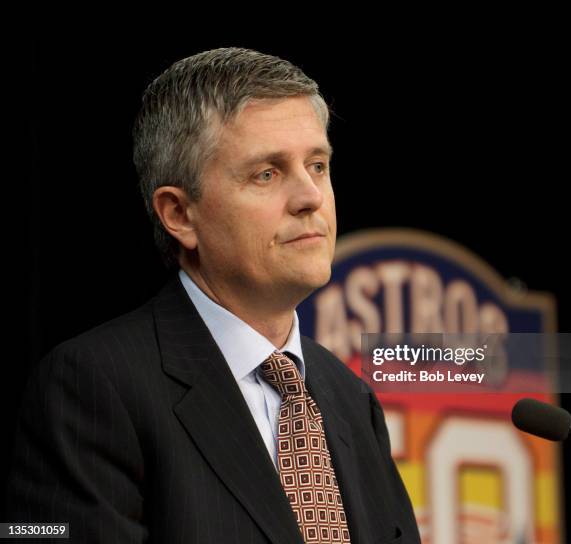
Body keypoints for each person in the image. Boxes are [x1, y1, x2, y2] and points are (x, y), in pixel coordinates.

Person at [5, 47, 420, 543]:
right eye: (267, 173)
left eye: (318, 165)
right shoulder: (93, 387)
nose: (310, 197)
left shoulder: (352, 399)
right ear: (179, 214)